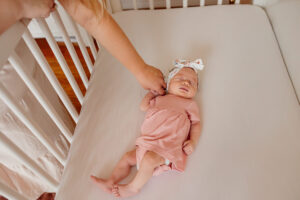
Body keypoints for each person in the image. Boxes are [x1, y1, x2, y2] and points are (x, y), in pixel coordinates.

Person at [90, 59, 204, 198]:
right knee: (127, 158)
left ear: (196, 90)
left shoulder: (190, 104)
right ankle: (110, 181)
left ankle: (133, 187)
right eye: (180, 78)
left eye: (192, 82)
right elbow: (143, 107)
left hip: (167, 147)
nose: (186, 82)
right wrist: (152, 93)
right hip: (148, 141)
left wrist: (193, 141)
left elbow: (196, 124)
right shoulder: (160, 98)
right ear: (168, 83)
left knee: (149, 160)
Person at [0, 0, 166, 95]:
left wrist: (140, 70)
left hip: (20, 65)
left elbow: (91, 17)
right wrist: (18, 7)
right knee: (36, 149)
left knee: (39, 94)